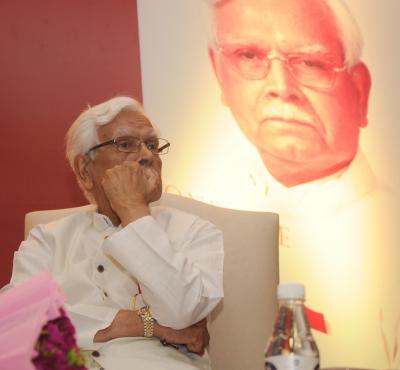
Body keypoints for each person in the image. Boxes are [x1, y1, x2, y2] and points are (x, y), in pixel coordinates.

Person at [206, 0, 399, 368]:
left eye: (310, 62)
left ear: (360, 88)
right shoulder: (206, 214)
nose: (281, 87)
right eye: (248, 55)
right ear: (219, 73)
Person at [7, 96, 224, 370]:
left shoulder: (196, 231)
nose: (147, 156)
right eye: (125, 145)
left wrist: (132, 209)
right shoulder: (48, 239)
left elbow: (182, 313)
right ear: (85, 170)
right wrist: (145, 324)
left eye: (152, 145)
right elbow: (16, 324)